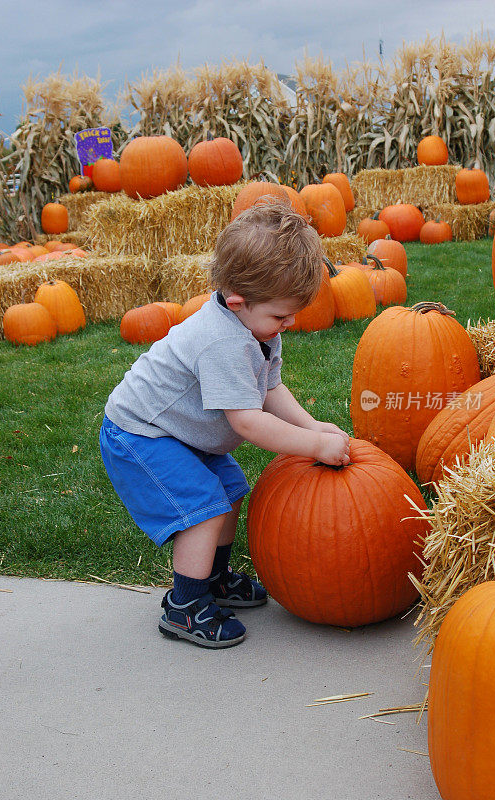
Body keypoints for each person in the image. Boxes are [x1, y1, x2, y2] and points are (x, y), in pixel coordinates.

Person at [99, 201, 350, 649]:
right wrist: (313, 447)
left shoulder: (258, 328)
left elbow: (270, 390)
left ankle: (213, 579)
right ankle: (185, 605)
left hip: (183, 434)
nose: (289, 324)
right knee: (206, 505)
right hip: (141, 435)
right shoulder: (222, 341)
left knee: (231, 489)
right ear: (238, 302)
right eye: (281, 316)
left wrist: (313, 425)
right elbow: (249, 423)